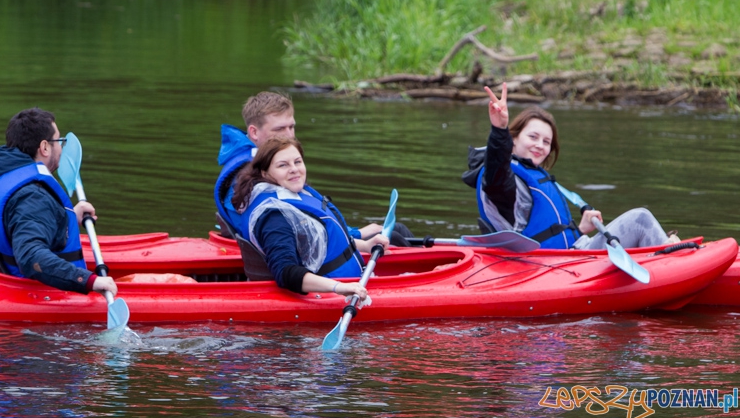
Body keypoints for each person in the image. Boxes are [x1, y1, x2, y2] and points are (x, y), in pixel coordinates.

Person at [462, 83, 676, 249]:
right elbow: (496, 173)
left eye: (546, 142)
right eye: (533, 137)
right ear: (514, 139)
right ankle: (671, 261)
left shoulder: (530, 175)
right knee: (640, 219)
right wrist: (499, 129)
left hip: (569, 256)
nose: (540, 145)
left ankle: (666, 253)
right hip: (551, 267)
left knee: (641, 222)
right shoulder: (504, 182)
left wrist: (580, 230)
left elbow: (549, 235)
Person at [215, 91, 413, 244]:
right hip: (305, 249)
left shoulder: (266, 162)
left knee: (398, 229)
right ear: (254, 132)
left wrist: (353, 232)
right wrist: (357, 234)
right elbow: (290, 228)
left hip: (317, 235)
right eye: (280, 129)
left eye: (291, 127)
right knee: (395, 236)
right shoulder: (249, 176)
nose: (290, 135)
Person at [0, 108, 118, 296]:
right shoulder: (33, 198)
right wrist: (89, 281)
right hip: (27, 291)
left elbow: (16, 222)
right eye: (59, 141)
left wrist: (65, 218)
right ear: (44, 147)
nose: (61, 148)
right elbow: (31, 257)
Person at [232, 137, 390, 298]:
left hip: (351, 281)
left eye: (297, 162)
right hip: (331, 293)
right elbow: (286, 272)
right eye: (283, 165)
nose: (294, 169)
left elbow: (320, 242)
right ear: (265, 173)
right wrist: (338, 287)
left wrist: (365, 245)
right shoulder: (274, 217)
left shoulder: (290, 193)